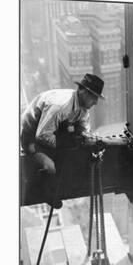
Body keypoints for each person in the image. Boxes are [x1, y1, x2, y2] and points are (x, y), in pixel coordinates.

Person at [20, 73, 105, 208]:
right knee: (50, 166)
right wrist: (67, 142)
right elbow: (42, 136)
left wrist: (89, 138)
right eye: (94, 97)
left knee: (72, 153)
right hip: (31, 137)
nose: (95, 102)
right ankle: (46, 193)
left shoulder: (82, 108)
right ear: (83, 92)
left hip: (52, 133)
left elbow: (84, 130)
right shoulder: (61, 106)